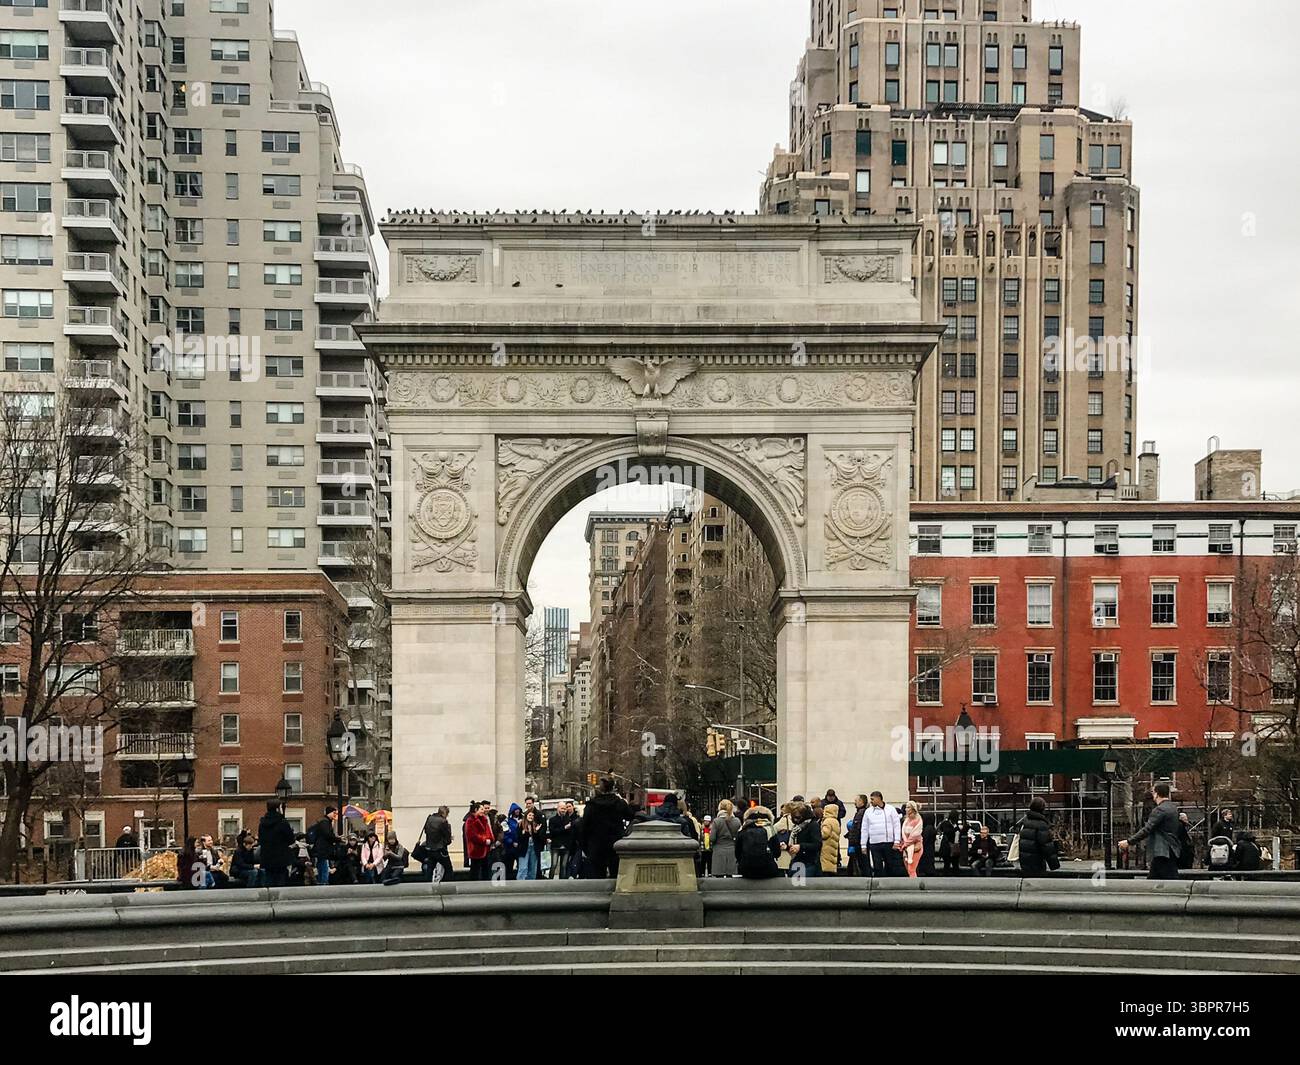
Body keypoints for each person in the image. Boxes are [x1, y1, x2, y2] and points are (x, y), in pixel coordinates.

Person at [1119, 782, 1182, 880]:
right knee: (1155, 879)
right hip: (1171, 850)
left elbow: (1146, 830)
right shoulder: (1173, 808)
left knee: (1170, 881)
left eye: (1153, 792)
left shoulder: (1159, 810)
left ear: (1156, 794)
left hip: (1162, 851)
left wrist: (1129, 842)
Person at [580, 779, 633, 878]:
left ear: (600, 789)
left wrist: (585, 846)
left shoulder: (591, 805)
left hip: (596, 845)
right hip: (615, 844)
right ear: (613, 788)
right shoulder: (619, 803)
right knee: (616, 876)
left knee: (597, 877)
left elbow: (584, 826)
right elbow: (630, 816)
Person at [859, 791, 902, 878]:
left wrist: (897, 840)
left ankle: (889, 883)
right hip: (874, 843)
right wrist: (863, 845)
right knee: (877, 866)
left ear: (879, 798)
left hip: (888, 842)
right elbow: (864, 828)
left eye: (872, 799)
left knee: (890, 865)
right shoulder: (868, 812)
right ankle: (878, 885)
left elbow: (896, 825)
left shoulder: (891, 809)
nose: (871, 801)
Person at [1016, 796, 1061, 877]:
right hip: (1037, 861)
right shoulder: (1041, 825)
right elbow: (1046, 846)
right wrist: (1054, 864)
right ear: (1042, 808)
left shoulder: (1025, 822)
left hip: (1024, 861)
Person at [257, 801, 297, 888]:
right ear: (277, 809)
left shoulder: (262, 824)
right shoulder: (282, 823)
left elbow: (260, 839)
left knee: (269, 880)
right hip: (281, 857)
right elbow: (290, 839)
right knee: (280, 880)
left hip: (267, 856)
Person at [735, 805, 782, 879]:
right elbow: (777, 853)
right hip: (768, 869)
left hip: (746, 869)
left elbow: (737, 853)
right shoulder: (770, 830)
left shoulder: (742, 830)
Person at [420, 805, 455, 883]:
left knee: (430, 869)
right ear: (445, 813)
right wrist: (447, 840)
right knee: (448, 868)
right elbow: (447, 837)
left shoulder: (429, 819)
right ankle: (449, 886)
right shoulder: (443, 821)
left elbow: (426, 831)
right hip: (440, 849)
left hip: (430, 848)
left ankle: (427, 885)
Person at [787, 802, 822, 878]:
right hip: (797, 861)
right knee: (795, 885)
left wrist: (801, 846)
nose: (795, 820)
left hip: (809, 863)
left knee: (802, 886)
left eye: (798, 817)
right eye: (793, 817)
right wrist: (787, 846)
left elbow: (817, 844)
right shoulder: (797, 827)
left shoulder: (813, 825)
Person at [307, 807, 340, 886]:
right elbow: (327, 835)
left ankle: (321, 881)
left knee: (321, 864)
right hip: (323, 848)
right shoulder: (325, 822)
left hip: (320, 847)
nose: (335, 815)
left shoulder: (323, 821)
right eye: (334, 813)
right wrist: (337, 839)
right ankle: (324, 881)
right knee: (324, 864)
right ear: (329, 813)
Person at [709, 801, 741, 877]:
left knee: (719, 876)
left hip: (719, 850)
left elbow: (712, 838)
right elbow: (740, 836)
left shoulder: (717, 821)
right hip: (732, 849)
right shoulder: (737, 821)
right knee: (730, 875)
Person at [464, 802, 495, 881]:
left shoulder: (484, 819)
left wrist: (490, 839)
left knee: (486, 869)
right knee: (475, 870)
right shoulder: (470, 820)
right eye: (481, 809)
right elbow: (472, 835)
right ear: (476, 810)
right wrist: (484, 840)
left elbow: (488, 832)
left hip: (485, 849)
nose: (483, 810)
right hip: (475, 849)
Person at [547, 801, 577, 880]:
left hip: (566, 846)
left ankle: (562, 882)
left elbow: (570, 833)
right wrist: (564, 828)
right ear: (558, 808)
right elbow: (553, 831)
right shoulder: (552, 820)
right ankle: (550, 880)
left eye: (565, 808)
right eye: (562, 808)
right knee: (553, 865)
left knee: (564, 866)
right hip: (556, 846)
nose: (563, 810)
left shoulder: (568, 819)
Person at [516, 806, 547, 880]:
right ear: (526, 815)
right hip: (524, 848)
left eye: (533, 815)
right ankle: (520, 884)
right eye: (530, 815)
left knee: (533, 867)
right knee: (523, 867)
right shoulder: (521, 824)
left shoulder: (535, 825)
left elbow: (538, 837)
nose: (531, 817)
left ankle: (531, 885)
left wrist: (536, 831)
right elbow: (520, 837)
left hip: (534, 847)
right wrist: (527, 833)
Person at [900, 802, 925, 877]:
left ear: (913, 809)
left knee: (911, 869)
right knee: (908, 869)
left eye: (908, 807)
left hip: (916, 847)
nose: (906, 809)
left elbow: (915, 835)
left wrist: (905, 844)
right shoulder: (906, 820)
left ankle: (914, 885)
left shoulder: (918, 820)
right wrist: (904, 844)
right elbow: (903, 833)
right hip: (906, 847)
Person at [843, 797, 865, 876]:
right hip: (856, 841)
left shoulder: (861, 813)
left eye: (856, 801)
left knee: (860, 862)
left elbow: (857, 828)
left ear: (862, 802)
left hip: (857, 842)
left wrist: (853, 841)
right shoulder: (859, 812)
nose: (854, 803)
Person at [772, 802, 795, 874]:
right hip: (792, 851)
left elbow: (773, 830)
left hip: (782, 851)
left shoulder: (783, 820)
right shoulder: (796, 819)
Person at [820, 802, 842, 875]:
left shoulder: (827, 821)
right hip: (833, 846)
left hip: (827, 847)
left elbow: (824, 834)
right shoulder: (836, 821)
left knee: (826, 866)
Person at [918, 813, 937, 877]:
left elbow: (924, 839)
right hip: (930, 848)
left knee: (927, 861)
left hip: (926, 848)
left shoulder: (927, 828)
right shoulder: (931, 827)